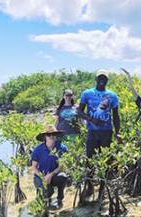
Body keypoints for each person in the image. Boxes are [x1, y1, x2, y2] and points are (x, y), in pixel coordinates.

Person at [78, 69, 121, 197]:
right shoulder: (87, 93)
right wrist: (91, 119)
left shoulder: (112, 96)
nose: (102, 79)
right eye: (100, 77)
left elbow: (116, 116)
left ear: (107, 80)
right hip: (92, 132)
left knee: (107, 160)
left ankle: (103, 187)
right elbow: (79, 111)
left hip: (107, 133)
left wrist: (118, 133)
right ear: (96, 79)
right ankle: (89, 186)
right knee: (89, 160)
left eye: (105, 78)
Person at [31, 125, 68, 209]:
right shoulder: (37, 150)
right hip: (40, 176)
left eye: (53, 134)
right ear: (45, 137)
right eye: (49, 135)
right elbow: (34, 167)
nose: (51, 136)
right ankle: (47, 195)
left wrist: (51, 175)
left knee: (63, 177)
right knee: (43, 199)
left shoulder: (62, 148)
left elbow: (63, 165)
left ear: (56, 136)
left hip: (55, 174)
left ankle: (59, 198)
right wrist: (43, 177)